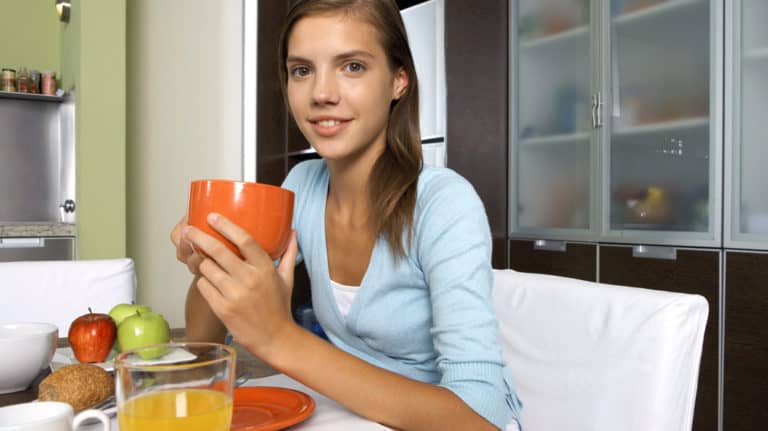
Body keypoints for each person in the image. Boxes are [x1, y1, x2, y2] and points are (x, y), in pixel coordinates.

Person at [170, 1, 522, 429]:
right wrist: (211, 263)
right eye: (302, 70)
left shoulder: (444, 205)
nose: (321, 93)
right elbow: (204, 345)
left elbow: (482, 419)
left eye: (352, 66)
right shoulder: (302, 185)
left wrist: (282, 340)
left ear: (398, 81)